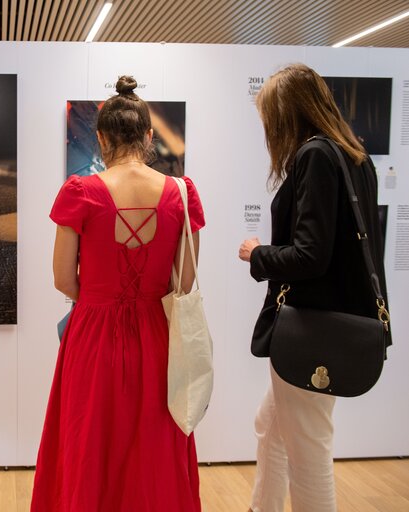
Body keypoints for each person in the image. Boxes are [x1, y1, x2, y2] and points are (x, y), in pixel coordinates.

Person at [31, 76, 204, 511]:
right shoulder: (181, 194)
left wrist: (100, 296)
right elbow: (183, 282)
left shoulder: (80, 191)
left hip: (92, 333)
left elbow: (62, 279)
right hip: (156, 336)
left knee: (89, 442)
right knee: (154, 445)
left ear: (102, 137)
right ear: (148, 136)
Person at [238, 63, 390, 512]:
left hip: (313, 328)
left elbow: (310, 256)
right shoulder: (351, 155)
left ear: (288, 113)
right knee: (271, 425)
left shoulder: (315, 156)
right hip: (327, 324)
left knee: (308, 450)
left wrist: (258, 254)